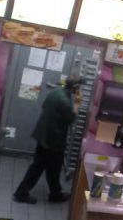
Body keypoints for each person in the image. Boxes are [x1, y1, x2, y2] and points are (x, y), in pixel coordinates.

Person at [13, 76, 83, 204]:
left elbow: (44, 106)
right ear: (75, 88)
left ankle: (54, 194)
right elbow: (72, 118)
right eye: (79, 87)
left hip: (43, 135)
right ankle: (22, 193)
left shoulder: (55, 92)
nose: (80, 89)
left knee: (47, 167)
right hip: (53, 140)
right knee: (46, 168)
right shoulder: (65, 101)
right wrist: (77, 103)